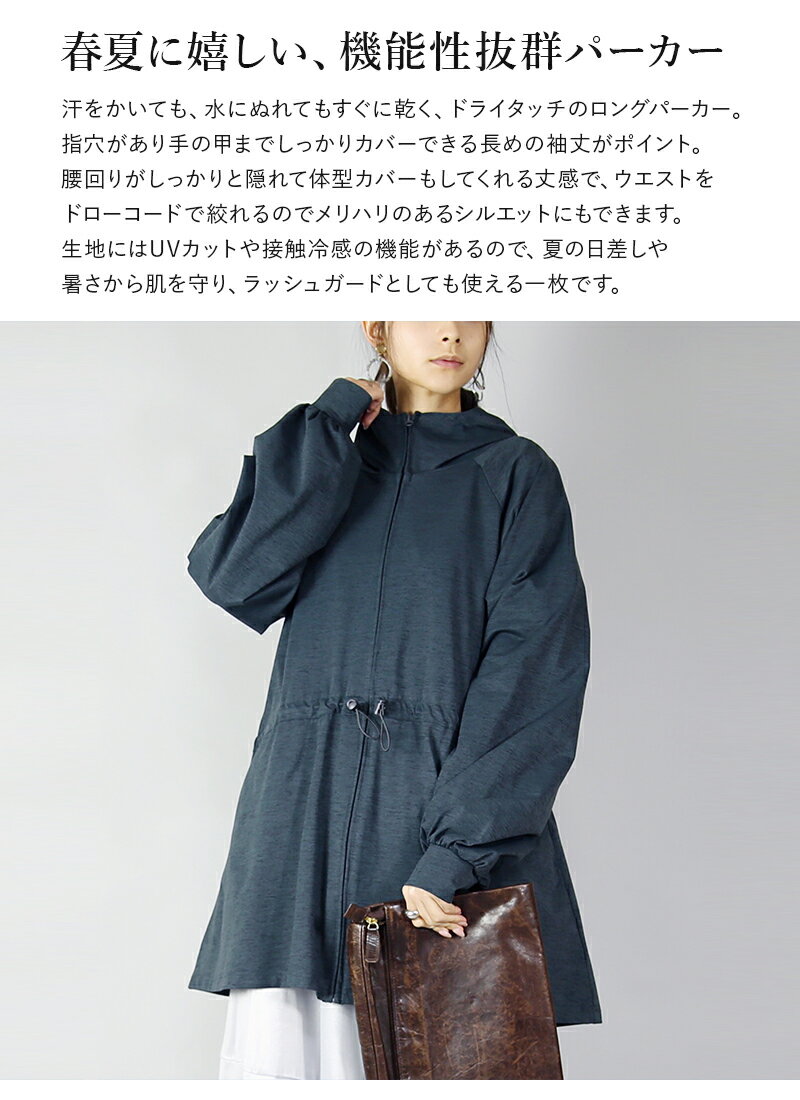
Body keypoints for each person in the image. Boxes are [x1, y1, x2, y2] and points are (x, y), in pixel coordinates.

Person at [186, 321, 602, 1080]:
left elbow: (534, 672)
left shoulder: (514, 473)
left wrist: (453, 854)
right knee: (286, 1059)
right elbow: (233, 577)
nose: (449, 331)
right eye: (422, 308)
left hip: (432, 826)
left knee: (433, 1057)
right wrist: (329, 421)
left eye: (469, 310)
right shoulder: (329, 461)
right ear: (378, 327)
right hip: (297, 827)